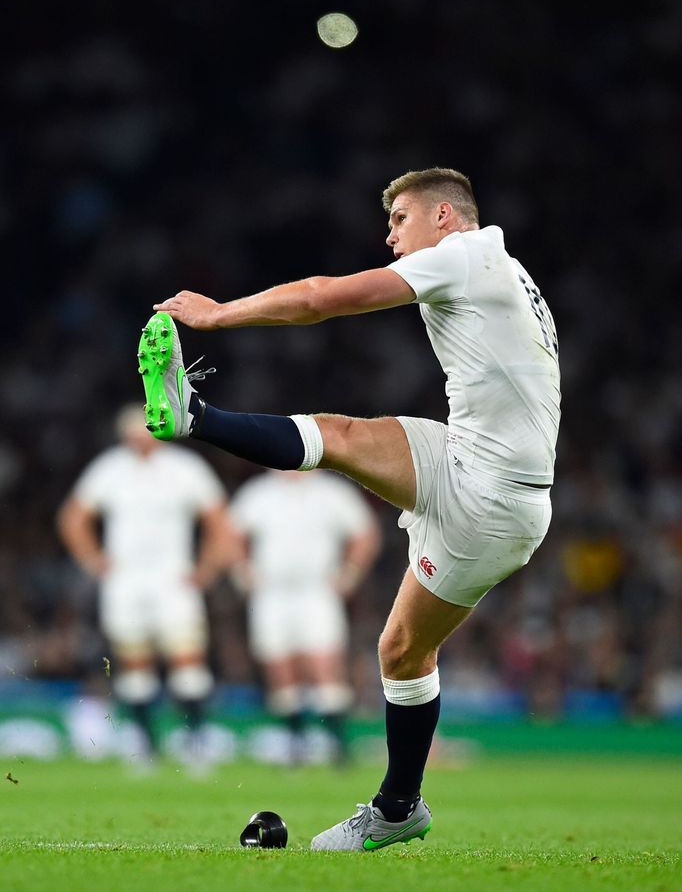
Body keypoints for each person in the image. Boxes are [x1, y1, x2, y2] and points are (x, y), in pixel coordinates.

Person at [138, 167, 561, 849]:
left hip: (491, 496)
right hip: (470, 460)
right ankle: (193, 414)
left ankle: (396, 809)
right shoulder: (497, 265)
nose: (389, 235)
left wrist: (219, 313)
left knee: (400, 651)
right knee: (344, 444)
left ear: (444, 217)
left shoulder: (463, 256)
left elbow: (320, 300)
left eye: (399, 220)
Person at [57, 403, 240, 769]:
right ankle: (146, 746)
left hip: (172, 577)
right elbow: (73, 517)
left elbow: (219, 519)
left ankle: (195, 743)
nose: (142, 440)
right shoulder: (111, 469)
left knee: (187, 661)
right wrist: (94, 560)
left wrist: (206, 569)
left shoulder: (185, 469)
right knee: (134, 662)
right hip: (125, 579)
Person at [230, 468, 381, 764]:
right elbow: (231, 532)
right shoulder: (260, 492)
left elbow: (366, 533)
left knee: (324, 665)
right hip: (272, 592)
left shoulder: (331, 492)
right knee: (279, 668)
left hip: (316, 590)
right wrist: (242, 571)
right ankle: (295, 748)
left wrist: (349, 574)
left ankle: (339, 749)